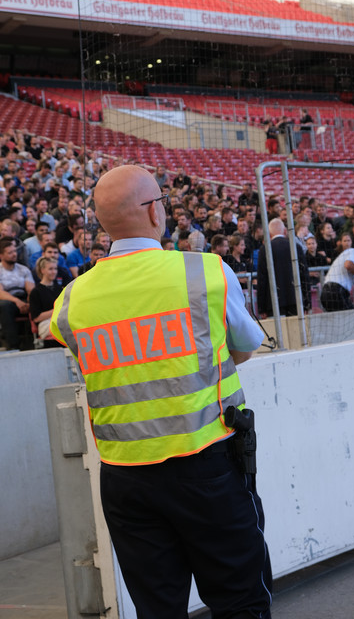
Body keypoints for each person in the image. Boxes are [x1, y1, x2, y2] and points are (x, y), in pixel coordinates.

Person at [50, 165, 272, 619]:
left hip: (125, 478)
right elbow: (246, 348)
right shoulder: (205, 272)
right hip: (206, 463)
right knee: (239, 600)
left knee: (157, 609)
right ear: (154, 212)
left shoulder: (72, 300)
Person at [257, 218, 311, 318]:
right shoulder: (295, 247)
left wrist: (261, 308)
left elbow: (262, 280)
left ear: (269, 234)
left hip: (273, 302)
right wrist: (307, 304)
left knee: (278, 332)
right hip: (296, 300)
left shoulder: (265, 250)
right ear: (285, 231)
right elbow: (304, 276)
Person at [0, 238, 34, 349]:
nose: (14, 254)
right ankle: (13, 345)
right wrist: (17, 301)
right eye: (10, 252)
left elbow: (31, 290)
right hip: (8, 300)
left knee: (36, 302)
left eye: (14, 251)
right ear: (1, 255)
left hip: (23, 298)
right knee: (4, 306)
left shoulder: (24, 270)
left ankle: (34, 341)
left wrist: (29, 301)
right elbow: (0, 293)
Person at [320, 243, 354, 312]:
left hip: (327, 292)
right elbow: (348, 265)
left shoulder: (350, 255)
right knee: (351, 318)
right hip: (336, 291)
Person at [29, 257, 62, 340]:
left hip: (60, 320)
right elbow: (36, 318)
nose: (54, 272)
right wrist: (56, 310)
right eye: (50, 269)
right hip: (45, 323)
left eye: (55, 269)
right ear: (42, 270)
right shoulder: (36, 292)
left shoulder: (59, 288)